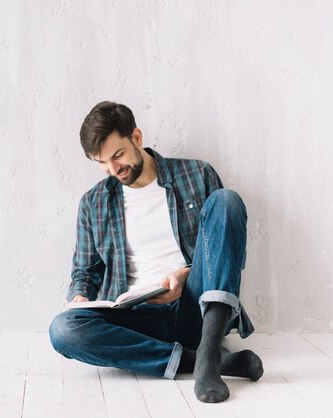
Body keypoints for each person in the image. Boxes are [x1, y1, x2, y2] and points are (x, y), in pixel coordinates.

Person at [49, 101, 263, 403]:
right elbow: (85, 272)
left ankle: (210, 345)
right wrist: (80, 298)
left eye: (118, 155)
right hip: (138, 319)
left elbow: (224, 250)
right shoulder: (93, 203)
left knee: (226, 201)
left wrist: (186, 275)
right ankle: (206, 359)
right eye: (102, 162)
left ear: (136, 137)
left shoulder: (197, 174)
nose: (113, 169)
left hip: (195, 308)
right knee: (63, 330)